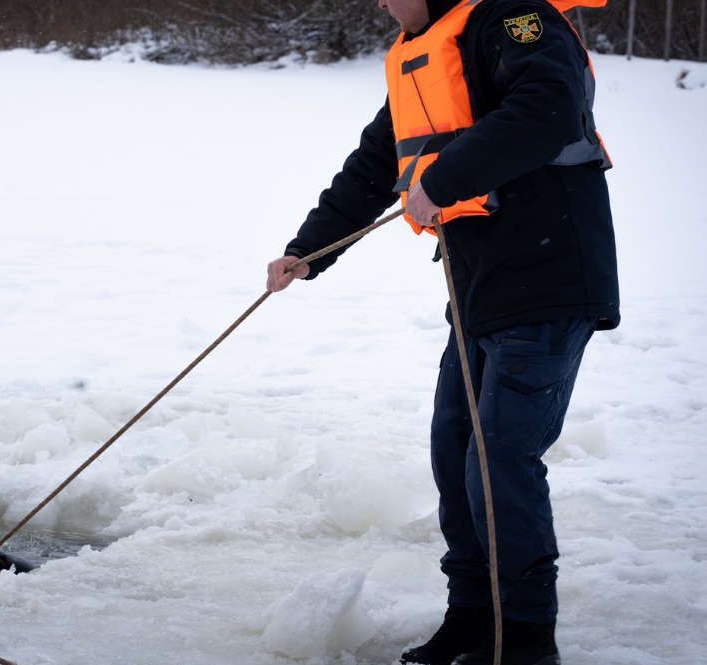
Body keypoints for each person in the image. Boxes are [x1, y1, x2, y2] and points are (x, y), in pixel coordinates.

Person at [265, 0, 619, 662]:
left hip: (549, 276)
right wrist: (309, 250)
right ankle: (473, 616)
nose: (379, 2)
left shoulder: (511, 17)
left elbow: (549, 104)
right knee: (455, 451)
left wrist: (449, 176)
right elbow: (376, 163)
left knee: (499, 461)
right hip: (480, 287)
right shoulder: (422, 54)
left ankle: (525, 637)